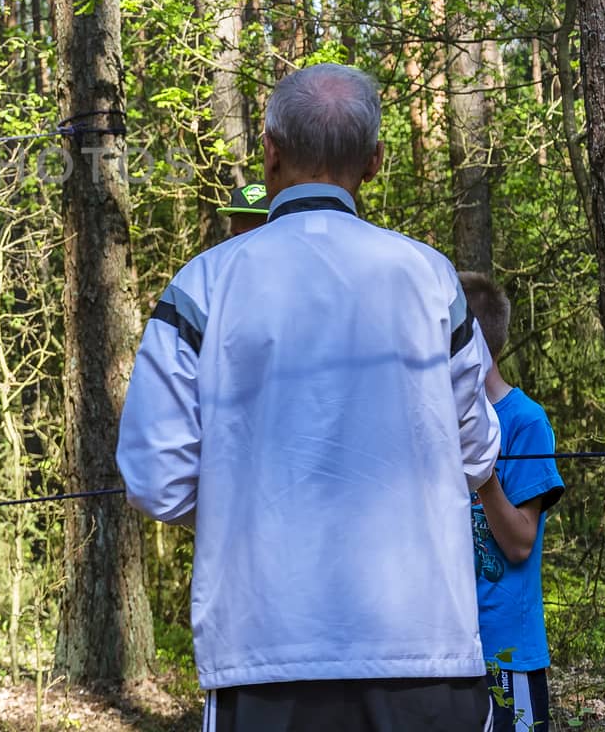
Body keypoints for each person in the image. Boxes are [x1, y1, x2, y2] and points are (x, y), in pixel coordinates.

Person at [117, 63, 501, 732]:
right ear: (376, 161)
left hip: (268, 647)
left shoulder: (206, 284)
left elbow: (155, 476)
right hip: (424, 644)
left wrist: (250, 510)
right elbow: (476, 455)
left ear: (269, 150)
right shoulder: (429, 278)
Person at [460, 271, 564, 732]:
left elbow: (521, 542)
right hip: (449, 649)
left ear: (471, 343)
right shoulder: (434, 421)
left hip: (506, 652)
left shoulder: (525, 421)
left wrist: (482, 474)